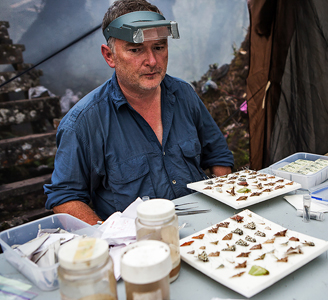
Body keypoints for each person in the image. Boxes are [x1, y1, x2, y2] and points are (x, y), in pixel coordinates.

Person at [44, 0, 234, 225]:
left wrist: (229, 212)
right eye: (135, 50)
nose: (152, 61)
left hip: (204, 230)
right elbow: (65, 197)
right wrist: (109, 237)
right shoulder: (84, 122)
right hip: (136, 246)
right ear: (109, 56)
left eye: (159, 47)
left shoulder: (183, 94)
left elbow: (218, 156)